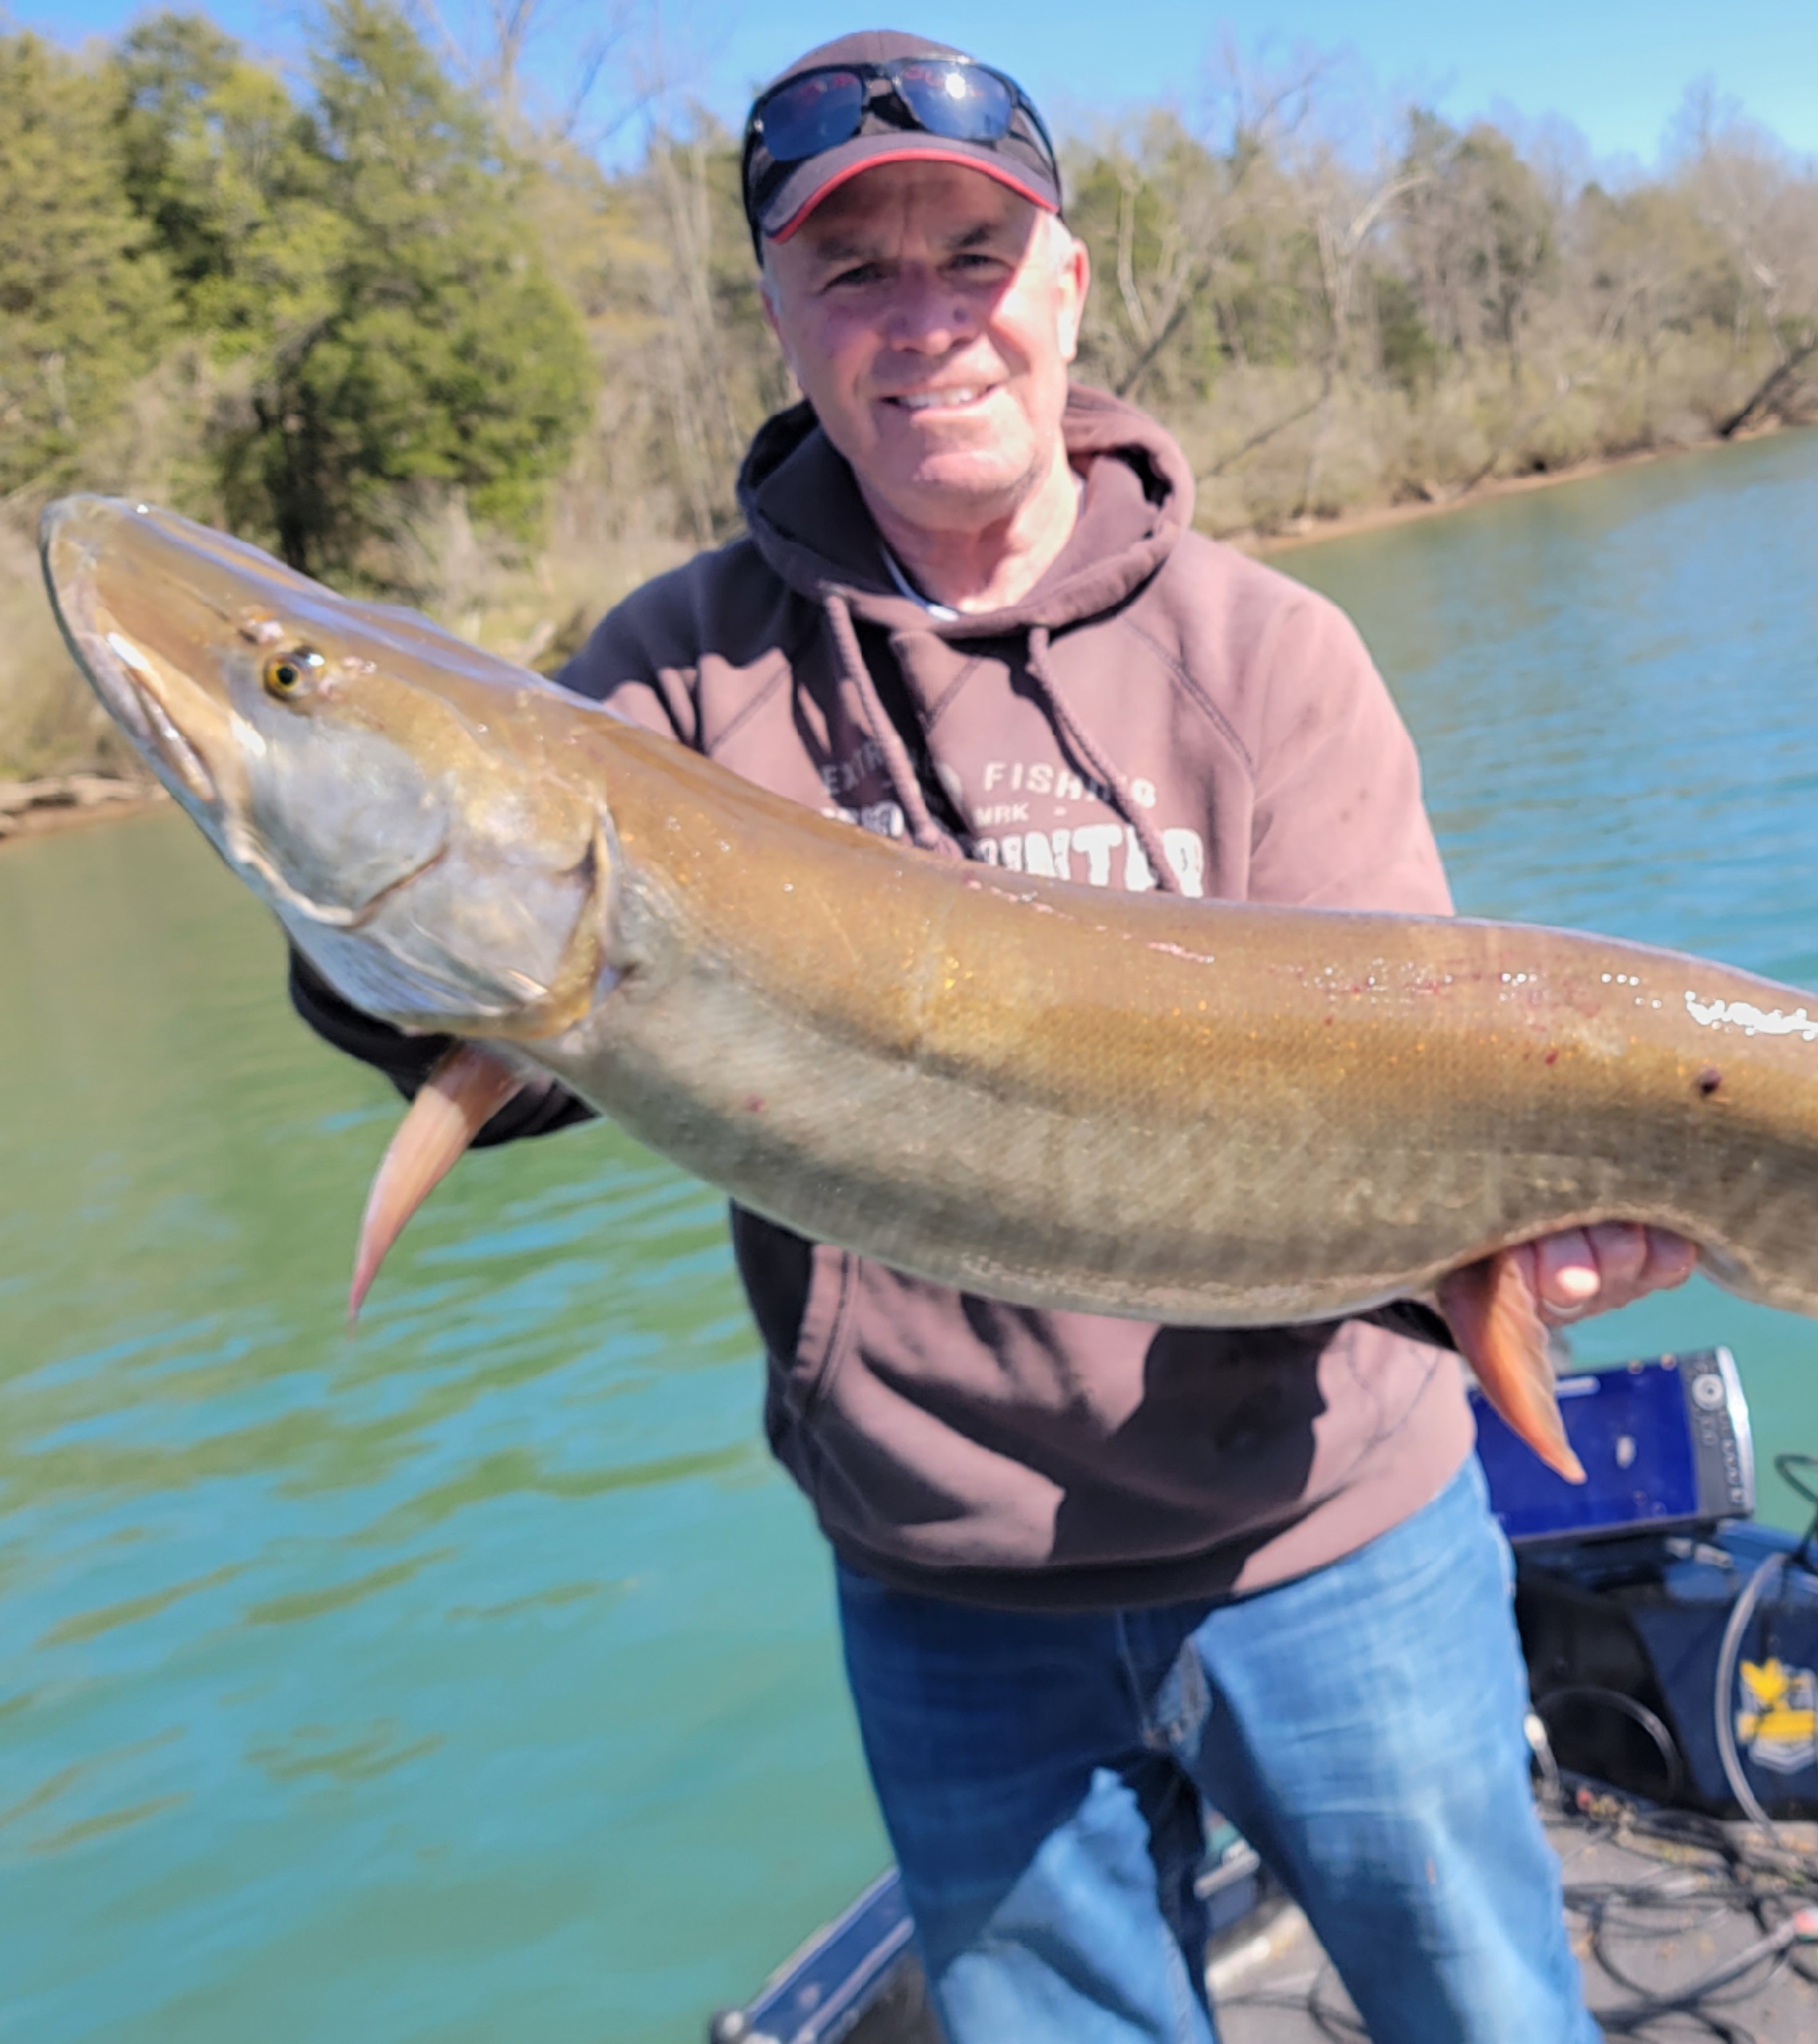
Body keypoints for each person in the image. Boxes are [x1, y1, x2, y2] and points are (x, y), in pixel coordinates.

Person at [292, 30, 1694, 2042]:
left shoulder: (1268, 661)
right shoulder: (677, 687)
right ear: (779, 317)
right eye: (855, 274)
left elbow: (1409, 1107)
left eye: (973, 254)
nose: (925, 321)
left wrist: (1514, 1250)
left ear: (1068, 284)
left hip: (1327, 1542)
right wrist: (345, 896)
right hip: (946, 1595)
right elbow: (509, 1028)